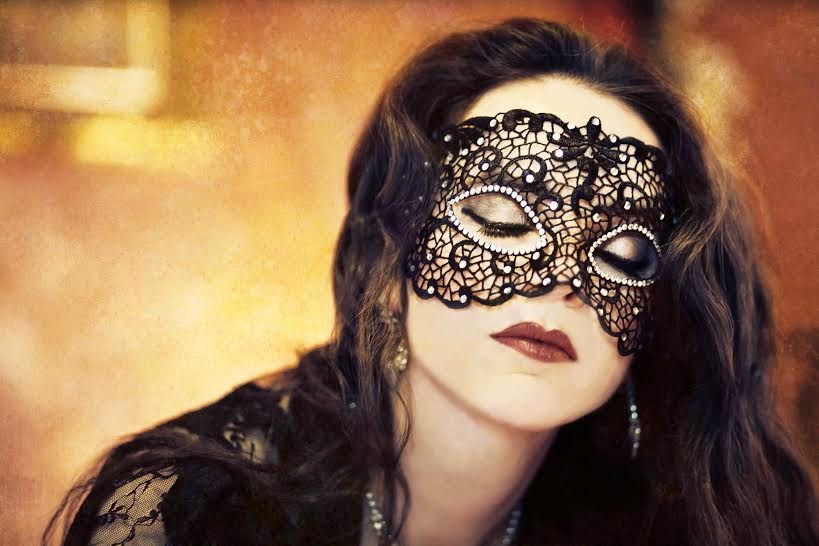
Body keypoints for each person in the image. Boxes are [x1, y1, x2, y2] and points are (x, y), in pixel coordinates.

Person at [45, 18, 817, 546]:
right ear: (388, 253)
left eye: (621, 254)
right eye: (501, 219)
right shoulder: (192, 508)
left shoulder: (667, 518)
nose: (563, 283)